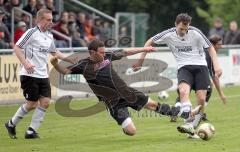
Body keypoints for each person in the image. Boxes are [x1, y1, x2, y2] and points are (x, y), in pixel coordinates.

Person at [50, 39, 201, 136]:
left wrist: (144, 49)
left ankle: (185, 114)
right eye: (100, 53)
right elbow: (65, 71)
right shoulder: (83, 65)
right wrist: (56, 64)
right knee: (131, 131)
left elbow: (125, 52)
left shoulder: (107, 55)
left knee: (153, 104)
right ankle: (124, 125)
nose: (104, 55)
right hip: (113, 101)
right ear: (92, 52)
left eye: (104, 52)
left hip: (127, 91)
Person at [132, 13, 222, 136]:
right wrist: (140, 61)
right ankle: (188, 123)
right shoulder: (168, 34)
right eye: (181, 29)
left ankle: (193, 125)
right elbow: (149, 42)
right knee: (183, 92)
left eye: (186, 29)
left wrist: (217, 65)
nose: (183, 32)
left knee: (201, 99)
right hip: (184, 67)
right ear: (175, 25)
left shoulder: (195, 32)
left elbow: (210, 47)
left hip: (201, 67)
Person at [5, 9, 75, 139]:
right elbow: (17, 47)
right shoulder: (31, 32)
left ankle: (31, 131)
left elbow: (54, 52)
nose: (51, 22)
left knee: (46, 102)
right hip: (29, 74)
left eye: (51, 19)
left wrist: (69, 59)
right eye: (48, 20)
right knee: (32, 104)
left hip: (43, 75)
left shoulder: (49, 35)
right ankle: (11, 123)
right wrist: (26, 64)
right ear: (40, 20)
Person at [171, 34, 227, 122]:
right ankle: (200, 114)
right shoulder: (209, 54)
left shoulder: (198, 49)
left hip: (186, 73)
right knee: (207, 90)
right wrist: (221, 94)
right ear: (212, 44)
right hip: (197, 76)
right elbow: (214, 75)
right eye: (219, 44)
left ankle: (176, 110)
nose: (221, 46)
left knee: (183, 93)